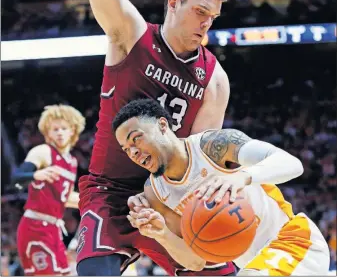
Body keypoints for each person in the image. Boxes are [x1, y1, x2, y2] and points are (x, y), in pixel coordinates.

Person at [77, 0, 236, 276]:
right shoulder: (132, 34)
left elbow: (197, 164)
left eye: (212, 17)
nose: (206, 24)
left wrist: (168, 215)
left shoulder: (214, 80)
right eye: (200, 12)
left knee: (218, 271)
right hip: (110, 191)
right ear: (173, 3)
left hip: (167, 197)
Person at [113, 99, 330, 276]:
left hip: (294, 242)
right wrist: (161, 234)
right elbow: (196, 262)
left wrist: (241, 177)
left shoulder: (213, 146)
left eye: (137, 139)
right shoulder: (156, 193)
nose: (133, 152)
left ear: (162, 126)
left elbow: (292, 164)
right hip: (253, 265)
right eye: (126, 149)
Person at [12, 105, 85, 276]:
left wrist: (95, 202)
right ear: (47, 132)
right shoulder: (43, 152)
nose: (59, 132)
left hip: (53, 229)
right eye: (54, 129)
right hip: (35, 226)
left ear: (72, 131)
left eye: (63, 128)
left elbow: (64, 197)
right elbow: (17, 177)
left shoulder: (71, 162)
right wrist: (36, 174)